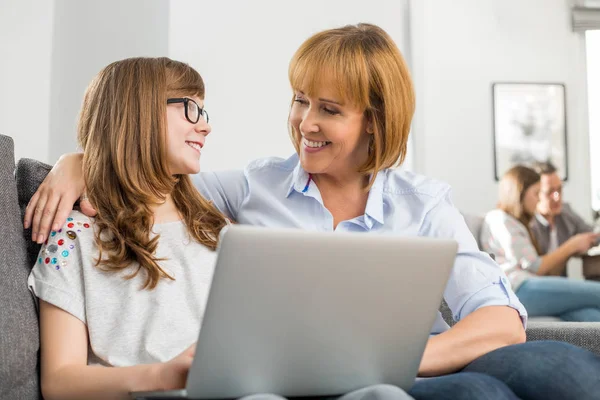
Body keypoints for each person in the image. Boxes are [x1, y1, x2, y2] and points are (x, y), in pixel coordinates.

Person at [25, 25, 600, 400]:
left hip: (420, 366)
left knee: (566, 371)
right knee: (482, 398)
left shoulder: (422, 202)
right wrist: (81, 160)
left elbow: (501, 320)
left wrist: (394, 359)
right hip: (301, 386)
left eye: (328, 109)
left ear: (373, 121)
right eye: (300, 100)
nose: (304, 122)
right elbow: (147, 177)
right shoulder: (246, 190)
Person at [27, 57, 414, 400]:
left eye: (204, 112)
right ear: (137, 113)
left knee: (383, 393)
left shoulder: (219, 227)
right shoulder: (73, 236)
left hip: (255, 386)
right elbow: (60, 381)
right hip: (161, 391)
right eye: (191, 109)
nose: (206, 127)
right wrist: (161, 376)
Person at [481, 165, 600, 322]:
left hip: (530, 286)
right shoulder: (499, 219)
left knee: (590, 316)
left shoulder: (518, 222)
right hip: (518, 288)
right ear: (520, 194)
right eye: (536, 193)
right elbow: (535, 266)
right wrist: (571, 246)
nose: (538, 199)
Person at [531, 161, 597, 263]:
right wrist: (571, 246)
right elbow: (534, 266)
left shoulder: (565, 211)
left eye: (559, 189)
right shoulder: (528, 223)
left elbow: (592, 234)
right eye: (549, 192)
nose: (557, 198)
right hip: (537, 278)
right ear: (535, 194)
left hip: (562, 278)